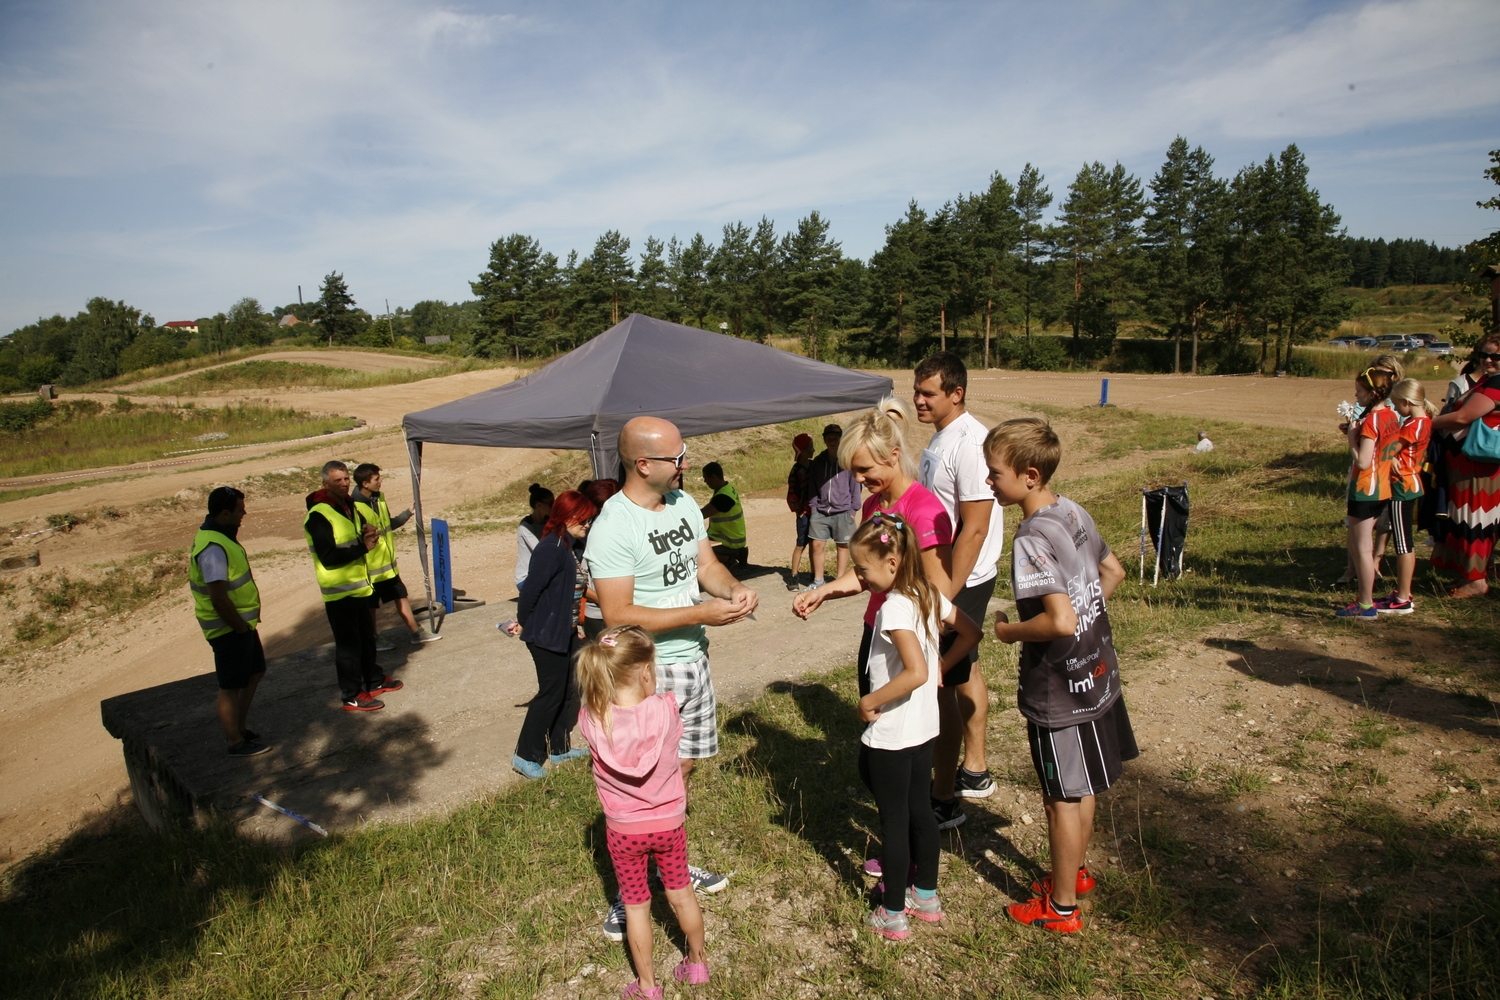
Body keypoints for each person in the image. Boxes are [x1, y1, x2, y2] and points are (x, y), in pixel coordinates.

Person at [586, 416, 758, 940]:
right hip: (648, 671)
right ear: (644, 465)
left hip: (694, 660)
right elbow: (616, 613)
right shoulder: (613, 526)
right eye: (677, 458)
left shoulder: (683, 505)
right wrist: (698, 615)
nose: (686, 465)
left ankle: (668, 868)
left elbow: (705, 565)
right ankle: (630, 892)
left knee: (679, 772)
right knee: (642, 784)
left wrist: (730, 591)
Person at [983, 416, 1135, 935]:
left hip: (1059, 692)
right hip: (1096, 673)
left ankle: (1062, 906)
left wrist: (1009, 633)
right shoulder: (1072, 510)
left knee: (1059, 798)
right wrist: (1087, 620)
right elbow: (1112, 572)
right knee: (1083, 784)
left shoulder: (1031, 537)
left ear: (1028, 475)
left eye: (995, 474)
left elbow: (1058, 619)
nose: (988, 482)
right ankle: (1077, 874)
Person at [793, 397, 959, 826]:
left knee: (901, 752)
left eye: (866, 470)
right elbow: (867, 576)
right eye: (854, 471)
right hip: (877, 633)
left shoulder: (925, 510)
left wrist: (932, 656)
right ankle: (901, 832)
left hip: (910, 646)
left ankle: (907, 841)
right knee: (880, 745)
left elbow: (937, 591)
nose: (860, 479)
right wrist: (826, 590)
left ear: (894, 456)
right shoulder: (873, 506)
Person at [849, 515, 980, 941]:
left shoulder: (892, 607)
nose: (860, 577)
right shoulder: (926, 592)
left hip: (893, 733)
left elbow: (915, 671)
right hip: (925, 728)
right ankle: (926, 896)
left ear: (891, 561)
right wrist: (945, 665)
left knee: (894, 822)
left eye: (863, 569)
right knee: (921, 813)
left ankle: (892, 913)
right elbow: (970, 631)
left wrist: (870, 699)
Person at [576, 625, 710, 996]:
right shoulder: (666, 709)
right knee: (681, 892)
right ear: (646, 672)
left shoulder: (591, 718)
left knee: (636, 907)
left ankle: (648, 986)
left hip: (623, 831)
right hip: (669, 825)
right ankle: (697, 964)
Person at [913, 352, 1003, 816]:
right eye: (917, 391)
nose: (919, 400)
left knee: (942, 681)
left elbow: (975, 528)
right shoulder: (944, 438)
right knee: (966, 670)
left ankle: (944, 798)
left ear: (956, 392)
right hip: (949, 575)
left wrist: (945, 591)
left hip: (961, 578)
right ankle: (976, 768)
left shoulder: (969, 443)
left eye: (928, 393)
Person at [505, 490, 597, 778]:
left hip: (564, 632)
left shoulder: (566, 545)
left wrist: (574, 627)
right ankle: (524, 755)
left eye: (589, 520)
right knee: (549, 694)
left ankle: (559, 749)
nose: (587, 525)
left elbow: (568, 594)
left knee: (566, 693)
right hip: (546, 636)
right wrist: (526, 624)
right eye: (583, 520)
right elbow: (530, 592)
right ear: (567, 517)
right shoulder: (551, 548)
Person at [305, 461, 401, 711]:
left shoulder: (347, 506)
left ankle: (373, 680)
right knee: (348, 648)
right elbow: (327, 557)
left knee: (366, 639)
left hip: (360, 587)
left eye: (346, 479)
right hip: (340, 593)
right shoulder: (319, 515)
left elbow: (353, 535)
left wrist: (366, 532)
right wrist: (363, 547)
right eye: (338, 481)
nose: (345, 484)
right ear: (326, 484)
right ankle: (351, 694)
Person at [190, 486, 269, 756]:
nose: (244, 513)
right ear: (225, 513)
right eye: (239, 510)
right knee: (230, 686)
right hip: (229, 628)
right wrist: (236, 625)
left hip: (240, 626)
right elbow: (218, 597)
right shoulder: (213, 548)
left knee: (254, 672)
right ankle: (235, 741)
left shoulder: (218, 537)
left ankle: (239, 727)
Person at [1431, 337, 1500, 598]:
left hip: (1478, 467)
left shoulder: (1497, 384)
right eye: (1483, 354)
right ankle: (1472, 574)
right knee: (1471, 519)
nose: (1487, 360)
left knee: (1476, 520)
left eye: (1495, 356)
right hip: (1469, 464)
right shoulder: (1488, 380)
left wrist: (1424, 423)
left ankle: (1476, 580)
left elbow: (1463, 417)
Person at [352, 463, 440, 649]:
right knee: (371, 606)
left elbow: (388, 525)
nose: (380, 482)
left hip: (388, 566)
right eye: (377, 479)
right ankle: (373, 638)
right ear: (365, 483)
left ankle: (416, 633)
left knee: (401, 595)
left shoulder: (379, 498)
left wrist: (408, 513)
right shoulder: (353, 507)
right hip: (369, 568)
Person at [1338, 368, 1402, 619]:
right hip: (1383, 486)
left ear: (1373, 393)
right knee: (1364, 546)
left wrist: (1352, 439)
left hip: (1365, 488)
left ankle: (1365, 604)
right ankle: (1364, 600)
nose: (1356, 395)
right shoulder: (1390, 415)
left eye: (1359, 391)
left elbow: (1363, 461)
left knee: (1361, 548)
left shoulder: (1371, 421)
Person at [1377, 379, 1437, 614]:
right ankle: (1403, 593)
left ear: (1405, 402)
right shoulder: (1421, 421)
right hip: (1408, 483)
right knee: (1404, 542)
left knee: (1403, 543)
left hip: (1402, 486)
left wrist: (1390, 455)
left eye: (1395, 404)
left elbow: (1389, 448)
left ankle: (1403, 597)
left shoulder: (1414, 425)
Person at [807, 424, 860, 590]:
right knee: (817, 545)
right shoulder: (817, 462)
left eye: (835, 438)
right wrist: (814, 507)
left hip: (843, 511)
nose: (832, 441)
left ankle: (840, 581)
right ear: (824, 440)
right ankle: (818, 581)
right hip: (820, 511)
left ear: (841, 439)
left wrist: (853, 510)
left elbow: (855, 486)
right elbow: (813, 486)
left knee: (842, 546)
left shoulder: (847, 461)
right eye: (829, 438)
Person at [580, 479, 621, 641]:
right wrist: (607, 602)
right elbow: (578, 582)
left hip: (619, 613)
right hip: (599, 617)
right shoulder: (591, 535)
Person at [699, 462, 749, 575]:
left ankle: (728, 559)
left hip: (729, 541)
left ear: (713, 477)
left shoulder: (723, 497)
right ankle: (737, 554)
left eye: (705, 478)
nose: (705, 482)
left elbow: (702, 514)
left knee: (698, 550)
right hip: (732, 538)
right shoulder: (727, 489)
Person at [785, 433, 815, 590]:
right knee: (801, 544)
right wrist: (798, 511)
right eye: (810, 448)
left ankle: (814, 574)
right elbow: (791, 494)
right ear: (802, 450)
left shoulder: (814, 465)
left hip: (815, 512)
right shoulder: (796, 470)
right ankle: (794, 576)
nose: (813, 450)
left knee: (814, 544)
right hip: (804, 513)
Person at [515, 484, 554, 592]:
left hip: (544, 576)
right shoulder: (526, 526)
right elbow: (542, 550)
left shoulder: (548, 522)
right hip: (527, 578)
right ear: (539, 505)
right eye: (551, 503)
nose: (553, 506)